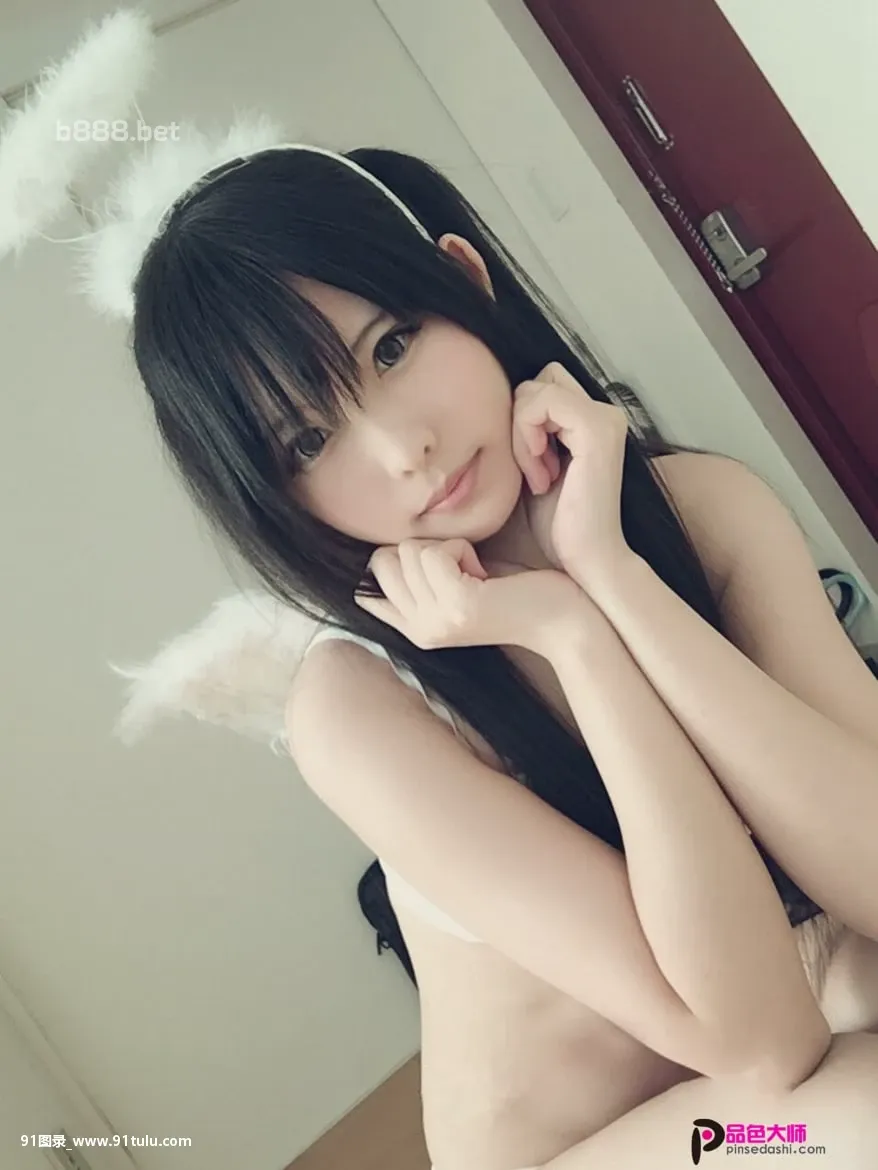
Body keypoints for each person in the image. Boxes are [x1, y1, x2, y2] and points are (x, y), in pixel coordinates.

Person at [3, 12, 877, 1161]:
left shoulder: (697, 510)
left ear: (462, 282)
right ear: (277, 498)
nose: (400, 452)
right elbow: (759, 1047)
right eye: (308, 438)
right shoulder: (356, 707)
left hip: (769, 1033)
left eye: (390, 348)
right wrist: (569, 634)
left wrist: (611, 579)